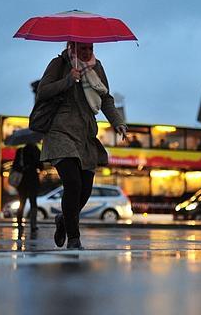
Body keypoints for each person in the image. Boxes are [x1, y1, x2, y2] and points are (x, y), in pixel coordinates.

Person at [36, 41, 128, 250]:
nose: (87, 52)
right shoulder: (58, 64)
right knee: (73, 183)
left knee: (85, 189)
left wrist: (118, 123)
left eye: (90, 48)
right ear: (72, 47)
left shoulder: (97, 67)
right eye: (82, 48)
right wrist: (68, 80)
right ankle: (74, 238)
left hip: (86, 134)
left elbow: (105, 99)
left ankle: (63, 218)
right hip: (60, 131)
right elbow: (43, 91)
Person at [12, 142, 42, 232]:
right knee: (33, 203)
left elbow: (14, 166)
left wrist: (23, 168)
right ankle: (33, 225)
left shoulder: (20, 151)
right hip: (32, 180)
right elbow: (41, 166)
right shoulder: (36, 151)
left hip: (22, 181)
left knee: (22, 202)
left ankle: (19, 223)